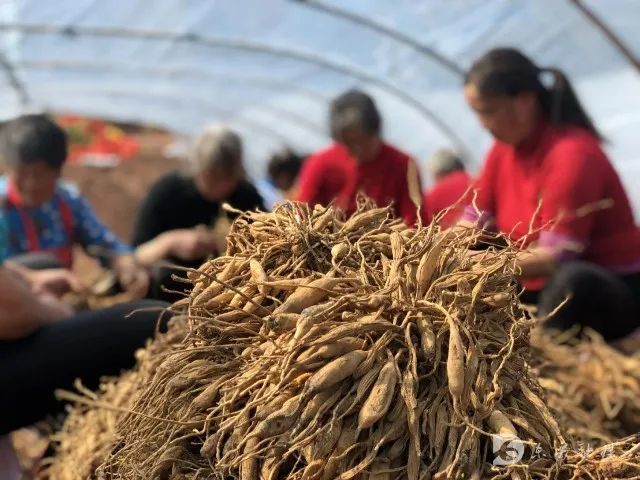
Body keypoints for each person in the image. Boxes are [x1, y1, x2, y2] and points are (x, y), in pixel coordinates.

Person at [460, 48, 640, 341]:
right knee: (478, 258)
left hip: (610, 290)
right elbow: (472, 223)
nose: (482, 123)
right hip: (540, 284)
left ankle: (548, 360)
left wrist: (479, 266)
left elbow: (556, 257)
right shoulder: (502, 151)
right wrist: (437, 256)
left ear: (525, 101)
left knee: (572, 282)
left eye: (488, 111)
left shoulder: (572, 154)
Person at [0, 218, 170, 435]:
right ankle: (68, 439)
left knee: (46, 265)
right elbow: (14, 316)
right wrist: (55, 311)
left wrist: (32, 279)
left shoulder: (66, 201)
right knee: (153, 322)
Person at [0, 114, 148, 298]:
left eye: (40, 174)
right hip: (9, 305)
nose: (31, 184)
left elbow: (105, 244)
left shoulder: (67, 202)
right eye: (22, 173)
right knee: (45, 264)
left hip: (56, 304)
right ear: (7, 168)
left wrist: (124, 264)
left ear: (59, 171)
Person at [133, 124, 265, 300]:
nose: (222, 186)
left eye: (229, 178)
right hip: (174, 292)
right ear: (197, 169)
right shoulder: (168, 192)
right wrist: (169, 242)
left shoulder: (245, 195)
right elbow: (138, 255)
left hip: (229, 291)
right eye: (213, 177)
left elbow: (266, 239)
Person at [296, 89, 422, 225]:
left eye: (363, 140)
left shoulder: (403, 165)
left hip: (387, 243)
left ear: (376, 131)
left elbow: (416, 220)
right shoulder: (320, 164)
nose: (358, 149)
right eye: (349, 143)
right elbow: (302, 213)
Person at [423, 148, 472, 228]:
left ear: (438, 173)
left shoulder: (432, 194)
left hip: (456, 237)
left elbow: (423, 225)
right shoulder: (475, 179)